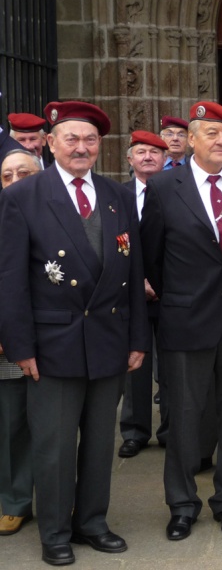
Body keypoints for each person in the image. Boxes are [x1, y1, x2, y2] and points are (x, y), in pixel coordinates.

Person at [0, 100, 149, 566]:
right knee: (55, 446)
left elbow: (135, 268)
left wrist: (137, 339)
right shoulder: (23, 196)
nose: (81, 148)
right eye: (71, 139)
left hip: (108, 339)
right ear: (50, 143)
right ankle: (55, 532)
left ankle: (92, 522)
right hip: (52, 344)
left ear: (100, 146)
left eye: (89, 140)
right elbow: (11, 281)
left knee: (100, 441)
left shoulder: (117, 195)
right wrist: (21, 346)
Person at [140, 101, 222, 541]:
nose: (221, 141)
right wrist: (181, 295)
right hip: (187, 317)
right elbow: (152, 256)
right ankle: (182, 503)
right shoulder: (163, 186)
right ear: (191, 139)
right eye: (210, 133)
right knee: (185, 418)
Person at [117, 131, 168, 458]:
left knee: (171, 366)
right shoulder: (117, 195)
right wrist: (138, 282)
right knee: (134, 363)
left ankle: (171, 430)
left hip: (169, 293)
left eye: (154, 152)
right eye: (141, 151)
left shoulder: (177, 192)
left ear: (165, 159)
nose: (148, 157)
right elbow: (118, 241)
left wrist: (159, 283)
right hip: (131, 293)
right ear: (129, 158)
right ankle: (135, 431)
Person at [0, 148, 41, 538]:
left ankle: (57, 495)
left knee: (56, 426)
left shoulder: (58, 210)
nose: (15, 182)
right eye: (8, 176)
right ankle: (14, 501)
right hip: (8, 343)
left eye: (23, 174)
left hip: (55, 339)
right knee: (12, 423)